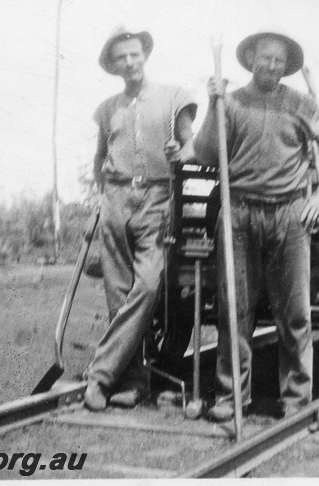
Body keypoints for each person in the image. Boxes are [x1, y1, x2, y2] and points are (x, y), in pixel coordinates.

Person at [193, 29, 319, 421]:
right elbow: (207, 153)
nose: (272, 66)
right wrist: (213, 103)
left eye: (279, 60)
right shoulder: (232, 101)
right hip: (239, 213)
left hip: (289, 216)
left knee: (294, 313)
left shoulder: (301, 104)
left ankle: (296, 399)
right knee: (234, 310)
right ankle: (231, 397)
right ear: (251, 60)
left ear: (286, 65)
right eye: (265, 58)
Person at [84, 26, 197, 411]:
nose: (129, 62)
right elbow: (100, 159)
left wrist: (181, 154)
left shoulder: (174, 98)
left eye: (134, 54)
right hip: (115, 200)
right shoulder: (107, 109)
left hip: (158, 198)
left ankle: (99, 377)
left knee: (147, 287)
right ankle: (131, 382)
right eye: (121, 58)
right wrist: (104, 201)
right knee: (117, 295)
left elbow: (194, 146)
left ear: (144, 55)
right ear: (113, 65)